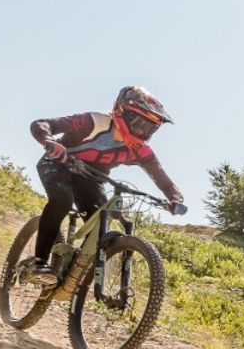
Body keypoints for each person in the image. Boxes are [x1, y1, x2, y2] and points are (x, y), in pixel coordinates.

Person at [26, 86, 187, 281]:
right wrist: (49, 141)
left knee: (100, 223)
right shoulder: (94, 122)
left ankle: (74, 275)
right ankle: (39, 262)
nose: (142, 131)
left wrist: (175, 199)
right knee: (62, 201)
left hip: (90, 177)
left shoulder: (140, 149)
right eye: (139, 123)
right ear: (121, 111)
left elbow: (162, 178)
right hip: (58, 163)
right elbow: (42, 124)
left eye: (150, 128)